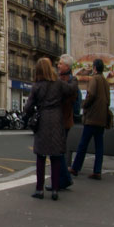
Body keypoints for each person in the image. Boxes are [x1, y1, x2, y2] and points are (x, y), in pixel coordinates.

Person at [23, 57, 75, 200]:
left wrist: (34, 111)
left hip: (43, 121)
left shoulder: (37, 86)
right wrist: (73, 78)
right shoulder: (58, 83)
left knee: (41, 156)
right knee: (56, 156)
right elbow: (71, 90)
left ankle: (39, 189)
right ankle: (55, 190)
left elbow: (27, 108)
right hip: (57, 120)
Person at [70, 58, 111, 180]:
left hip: (92, 118)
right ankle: (97, 171)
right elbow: (108, 100)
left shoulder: (95, 79)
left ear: (94, 68)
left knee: (83, 144)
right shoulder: (105, 81)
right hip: (102, 119)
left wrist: (85, 105)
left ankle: (75, 168)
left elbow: (91, 95)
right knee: (99, 146)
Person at [57, 54, 80, 191]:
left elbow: (70, 94)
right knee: (58, 150)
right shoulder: (62, 79)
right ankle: (63, 179)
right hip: (58, 119)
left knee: (59, 151)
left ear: (67, 66)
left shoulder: (72, 81)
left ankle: (64, 179)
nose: (58, 65)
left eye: (60, 63)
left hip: (64, 120)